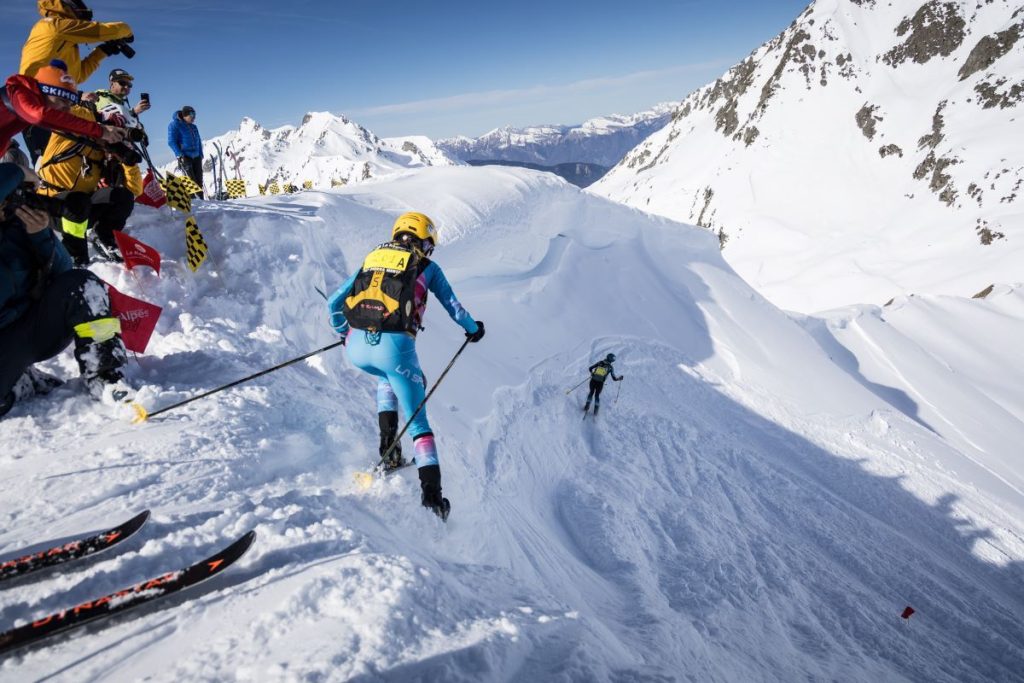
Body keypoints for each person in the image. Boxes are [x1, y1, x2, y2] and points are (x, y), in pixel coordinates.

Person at [327, 212, 485, 521]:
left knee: (388, 379)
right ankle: (433, 500)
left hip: (357, 348)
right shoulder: (427, 266)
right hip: (396, 348)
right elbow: (455, 307)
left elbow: (334, 303)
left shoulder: (372, 259)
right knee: (419, 424)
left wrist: (344, 335)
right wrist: (473, 329)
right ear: (425, 242)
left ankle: (389, 452)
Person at [0, 162, 133, 419]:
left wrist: (41, 236)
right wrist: (16, 171)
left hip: (32, 327)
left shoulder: (18, 226)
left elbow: (65, 275)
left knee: (82, 284)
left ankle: (104, 375)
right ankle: (20, 383)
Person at [33, 60, 137, 266]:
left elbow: (136, 190)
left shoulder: (103, 152)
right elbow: (67, 112)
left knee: (122, 196)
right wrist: (87, 106)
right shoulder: (71, 125)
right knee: (78, 202)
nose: (113, 134)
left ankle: (104, 237)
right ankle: (76, 254)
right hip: (51, 203)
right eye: (112, 128)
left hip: (81, 210)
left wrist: (126, 161)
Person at [19, 0, 134, 161]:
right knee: (51, 165)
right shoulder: (53, 25)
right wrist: (125, 30)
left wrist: (102, 52)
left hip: (58, 107)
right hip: (36, 106)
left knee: (76, 162)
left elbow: (78, 76)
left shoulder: (67, 42)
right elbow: (100, 31)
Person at [1, 62, 126, 158]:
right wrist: (100, 131)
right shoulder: (18, 91)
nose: (67, 110)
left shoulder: (22, 108)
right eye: (62, 101)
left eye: (70, 103)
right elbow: (39, 115)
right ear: (45, 92)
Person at [94, 67, 147, 197]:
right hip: (111, 152)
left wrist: (135, 115)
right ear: (112, 83)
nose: (127, 87)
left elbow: (123, 119)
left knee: (129, 188)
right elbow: (108, 121)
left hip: (122, 150)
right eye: (123, 83)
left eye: (129, 84)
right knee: (118, 187)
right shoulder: (102, 98)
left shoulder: (119, 102)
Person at [167, 105, 203, 196]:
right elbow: (171, 141)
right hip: (185, 156)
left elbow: (198, 140)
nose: (193, 118)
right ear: (185, 115)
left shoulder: (194, 127)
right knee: (190, 181)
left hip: (196, 156)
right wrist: (179, 154)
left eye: (194, 115)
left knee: (199, 179)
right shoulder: (174, 125)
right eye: (191, 115)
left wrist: (200, 153)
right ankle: (194, 201)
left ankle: (201, 200)